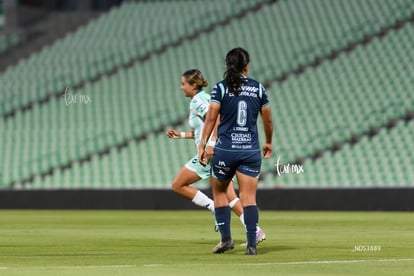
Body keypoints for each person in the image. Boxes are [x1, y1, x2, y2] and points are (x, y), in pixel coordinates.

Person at [166, 69, 266, 243]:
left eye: (183, 84)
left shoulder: (198, 101)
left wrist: (210, 145)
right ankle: (255, 230)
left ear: (193, 85)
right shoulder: (203, 98)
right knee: (229, 196)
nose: (181, 88)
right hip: (216, 150)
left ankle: (213, 207)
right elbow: (201, 129)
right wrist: (181, 135)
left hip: (210, 153)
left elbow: (217, 120)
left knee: (178, 184)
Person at [198, 48, 273, 255]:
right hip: (250, 151)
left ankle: (226, 240)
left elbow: (211, 119)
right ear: (246, 66)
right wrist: (268, 142)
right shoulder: (258, 88)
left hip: (225, 150)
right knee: (249, 198)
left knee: (220, 192)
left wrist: (202, 146)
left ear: (227, 66)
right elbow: (267, 120)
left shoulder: (220, 89)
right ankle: (251, 245)